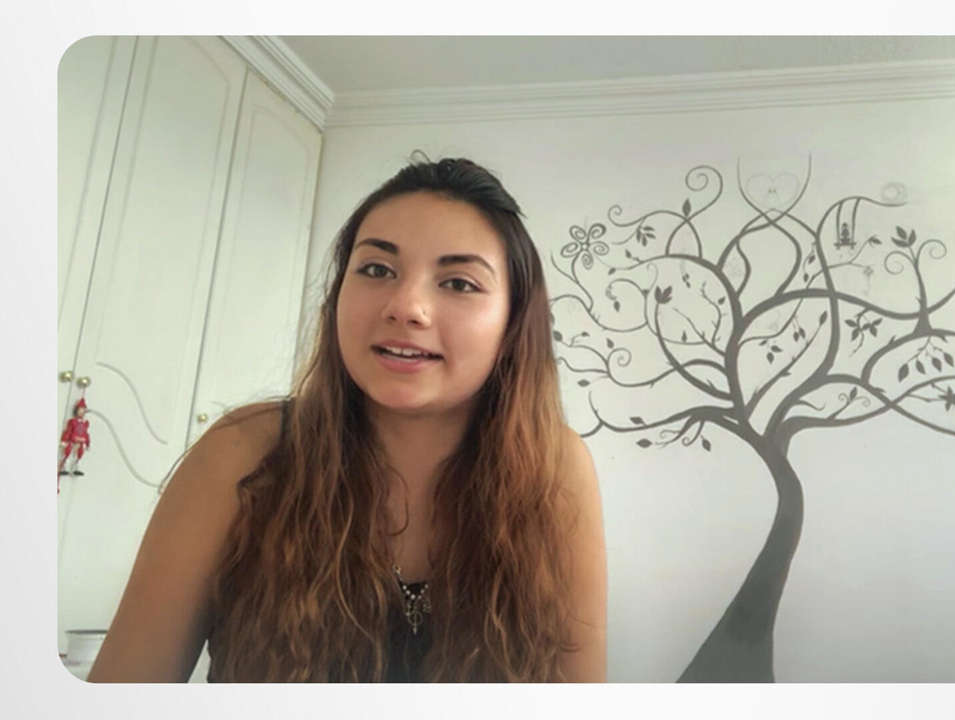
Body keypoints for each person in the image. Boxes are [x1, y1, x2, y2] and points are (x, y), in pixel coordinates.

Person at [87, 156, 607, 682]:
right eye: (377, 270)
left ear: (513, 321)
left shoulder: (556, 467)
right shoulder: (242, 452)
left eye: (458, 283)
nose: (406, 307)